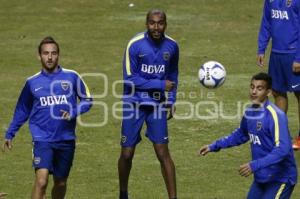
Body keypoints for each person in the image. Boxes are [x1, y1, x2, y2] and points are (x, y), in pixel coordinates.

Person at [2, 36, 93, 199]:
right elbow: (22, 109)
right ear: (39, 56)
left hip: (66, 139)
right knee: (42, 181)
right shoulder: (32, 82)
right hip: (42, 138)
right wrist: (10, 133)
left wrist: (73, 112)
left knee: (61, 183)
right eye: (45, 53)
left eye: (53, 53)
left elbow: (88, 100)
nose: (50, 57)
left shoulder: (72, 76)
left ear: (58, 55)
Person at [199, 73, 297, 199]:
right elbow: (241, 134)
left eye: (259, 88)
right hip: (262, 177)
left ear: (268, 92)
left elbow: (283, 149)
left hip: (281, 178)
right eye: (252, 87)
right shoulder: (250, 112)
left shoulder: (276, 116)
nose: (254, 92)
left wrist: (254, 165)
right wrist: (214, 146)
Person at [118, 9, 179, 199]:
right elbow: (130, 79)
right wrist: (160, 85)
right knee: (127, 153)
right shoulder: (135, 45)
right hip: (134, 103)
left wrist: (171, 99)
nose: (156, 27)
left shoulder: (172, 46)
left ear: (165, 24)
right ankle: (123, 193)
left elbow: (173, 75)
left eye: (160, 23)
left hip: (157, 105)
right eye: (152, 23)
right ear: (146, 24)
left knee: (163, 152)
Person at [256, 0, 300, 149]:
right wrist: (262, 48)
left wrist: (299, 57)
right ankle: (281, 136)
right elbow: (266, 21)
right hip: (276, 54)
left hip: (293, 53)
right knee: (277, 92)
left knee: (299, 94)